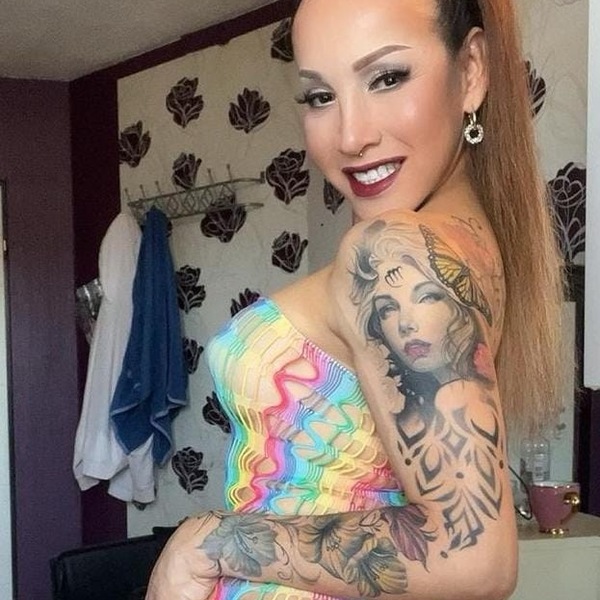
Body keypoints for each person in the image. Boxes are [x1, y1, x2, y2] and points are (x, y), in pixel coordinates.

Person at [145, 0, 565, 599]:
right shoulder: (464, 244)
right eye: (320, 96)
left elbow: (474, 560)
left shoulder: (397, 252)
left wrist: (208, 541)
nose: (350, 136)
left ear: (471, 70)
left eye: (387, 78)